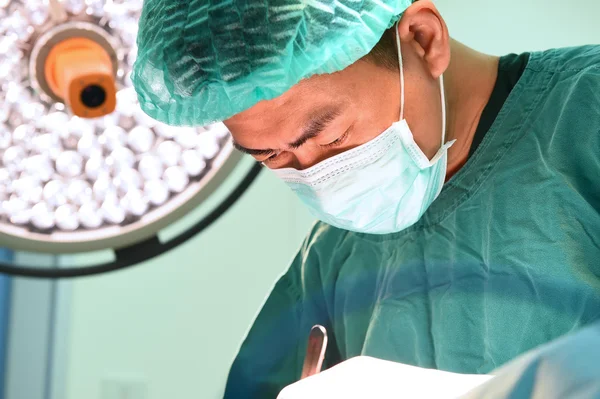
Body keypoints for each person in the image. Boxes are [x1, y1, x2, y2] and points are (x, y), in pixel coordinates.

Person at [132, 0, 600, 397]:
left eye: (332, 137)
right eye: (271, 155)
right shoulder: (333, 254)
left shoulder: (586, 115)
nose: (316, 175)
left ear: (422, 39)